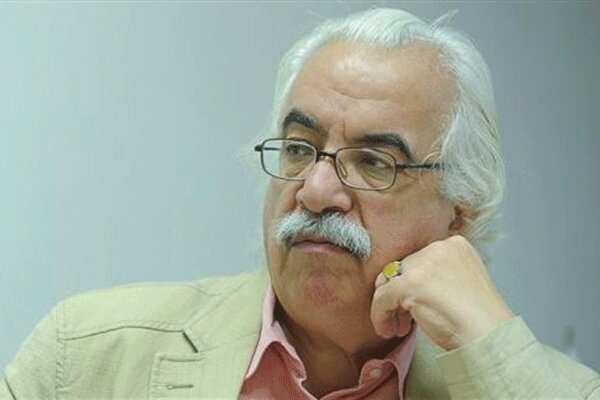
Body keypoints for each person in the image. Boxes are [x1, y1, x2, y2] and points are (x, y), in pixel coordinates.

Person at [2, 7, 598, 399]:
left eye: (374, 162)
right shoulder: (83, 358)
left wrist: (493, 345)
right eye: (298, 148)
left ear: (457, 215)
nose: (314, 190)